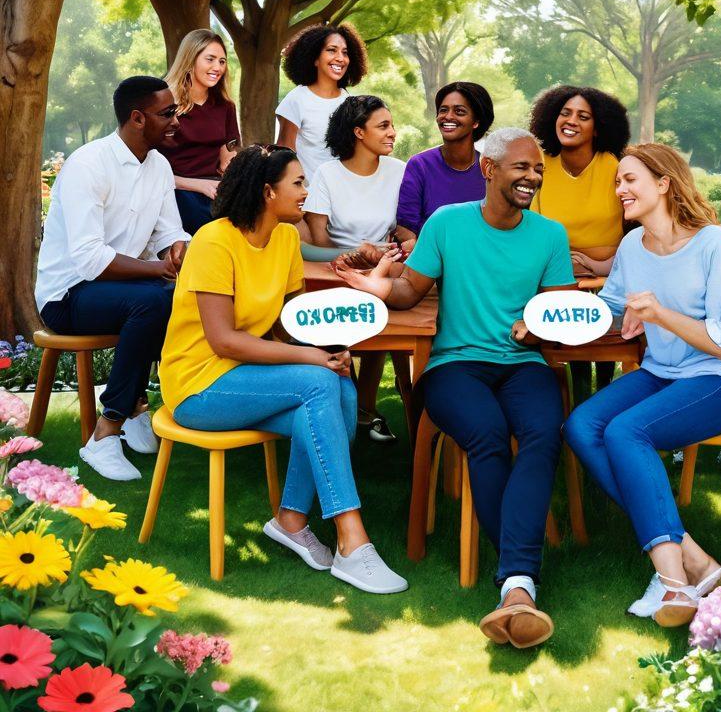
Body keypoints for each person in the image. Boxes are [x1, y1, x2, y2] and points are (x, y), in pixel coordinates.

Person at [335, 128, 575, 648]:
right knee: (487, 436)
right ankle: (521, 581)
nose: (532, 176)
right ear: (489, 170)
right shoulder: (447, 223)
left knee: (542, 434)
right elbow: (409, 291)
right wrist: (374, 285)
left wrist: (539, 328)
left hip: (523, 364)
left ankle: (514, 584)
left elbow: (559, 314)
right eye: (521, 167)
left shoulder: (550, 235)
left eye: (538, 169)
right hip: (454, 365)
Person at [158, 145, 407, 594]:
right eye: (298, 184)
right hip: (199, 384)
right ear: (267, 191)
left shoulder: (286, 238)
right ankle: (353, 540)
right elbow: (224, 340)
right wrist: (311, 360)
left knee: (342, 388)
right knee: (317, 381)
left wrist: (329, 351)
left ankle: (291, 519)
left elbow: (288, 322)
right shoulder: (214, 240)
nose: (306, 194)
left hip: (248, 380)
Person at [563, 144, 721, 628]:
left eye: (630, 180)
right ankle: (691, 555)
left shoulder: (716, 245)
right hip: (664, 371)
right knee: (581, 424)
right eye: (617, 183)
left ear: (664, 184)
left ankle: (672, 579)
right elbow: (613, 306)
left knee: (626, 432)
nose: (620, 190)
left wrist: (660, 315)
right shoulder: (634, 247)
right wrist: (547, 316)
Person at [36, 76, 190, 482]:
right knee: (155, 299)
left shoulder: (159, 165)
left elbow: (167, 232)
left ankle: (136, 403)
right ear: (137, 118)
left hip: (122, 288)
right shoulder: (89, 163)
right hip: (67, 296)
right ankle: (105, 433)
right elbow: (89, 260)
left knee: (178, 294)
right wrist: (159, 269)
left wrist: (176, 250)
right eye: (167, 113)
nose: (176, 120)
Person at [305, 95, 413, 441]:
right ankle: (349, 408)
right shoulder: (327, 174)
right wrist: (355, 253)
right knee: (356, 313)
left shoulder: (400, 171)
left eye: (391, 124)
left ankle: (364, 408)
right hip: (333, 271)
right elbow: (318, 241)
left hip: (384, 270)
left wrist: (382, 258)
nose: (392, 132)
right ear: (358, 132)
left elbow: (406, 230)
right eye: (383, 126)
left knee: (380, 303)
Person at [529, 84, 630, 404]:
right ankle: (579, 401)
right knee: (573, 343)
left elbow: (637, 231)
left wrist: (598, 264)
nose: (571, 121)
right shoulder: (539, 165)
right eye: (565, 113)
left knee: (604, 338)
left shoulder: (615, 167)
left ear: (598, 127)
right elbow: (532, 232)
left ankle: (602, 398)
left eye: (583, 116)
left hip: (612, 280)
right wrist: (565, 264)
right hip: (557, 282)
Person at [161, 29, 240, 234]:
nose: (217, 67)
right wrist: (199, 185)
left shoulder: (225, 106)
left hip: (214, 189)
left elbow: (228, 158)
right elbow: (151, 171)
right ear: (191, 59)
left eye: (222, 61)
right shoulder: (166, 105)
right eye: (210, 59)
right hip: (176, 190)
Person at [396, 82, 494, 235]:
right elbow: (405, 230)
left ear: (476, 122)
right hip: (429, 257)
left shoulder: (491, 170)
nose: (448, 116)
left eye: (459, 111)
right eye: (443, 110)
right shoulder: (420, 165)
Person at [275, 23, 368, 184]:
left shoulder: (349, 102)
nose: (340, 58)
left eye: (345, 53)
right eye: (332, 50)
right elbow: (284, 154)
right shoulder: (297, 99)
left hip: (343, 193)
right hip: (309, 198)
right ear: (315, 58)